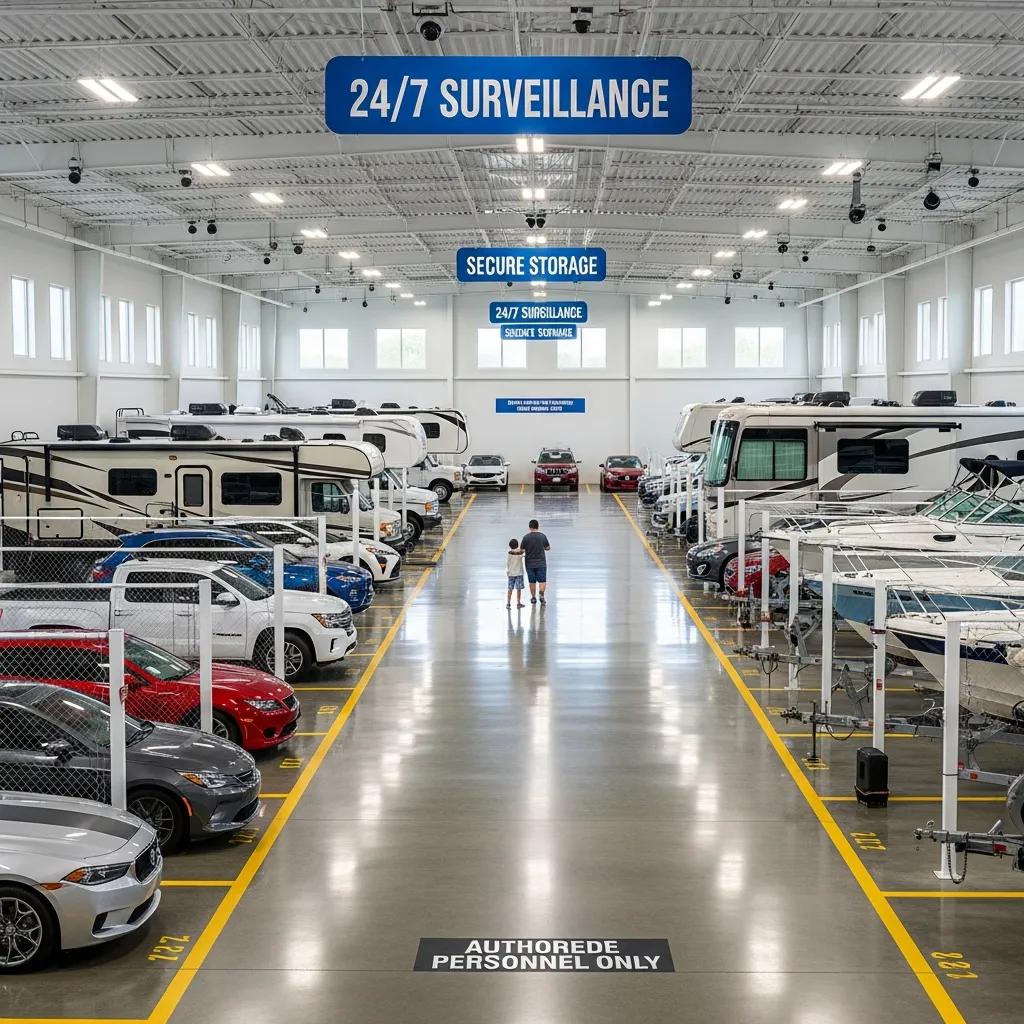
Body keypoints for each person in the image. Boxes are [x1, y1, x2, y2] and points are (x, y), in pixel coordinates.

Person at [520, 519, 551, 605]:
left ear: (529, 527)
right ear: (538, 526)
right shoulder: (542, 536)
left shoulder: (526, 537)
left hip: (529, 563)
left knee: (532, 581)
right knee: (542, 580)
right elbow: (547, 548)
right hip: (541, 562)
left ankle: (533, 597)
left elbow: (522, 550)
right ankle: (541, 594)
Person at [506, 538, 525, 609]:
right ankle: (518, 603)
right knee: (518, 589)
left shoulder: (509, 553)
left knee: (510, 589)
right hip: (519, 573)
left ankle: (508, 603)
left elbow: (508, 563)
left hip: (511, 573)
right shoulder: (519, 553)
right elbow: (523, 553)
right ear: (518, 545)